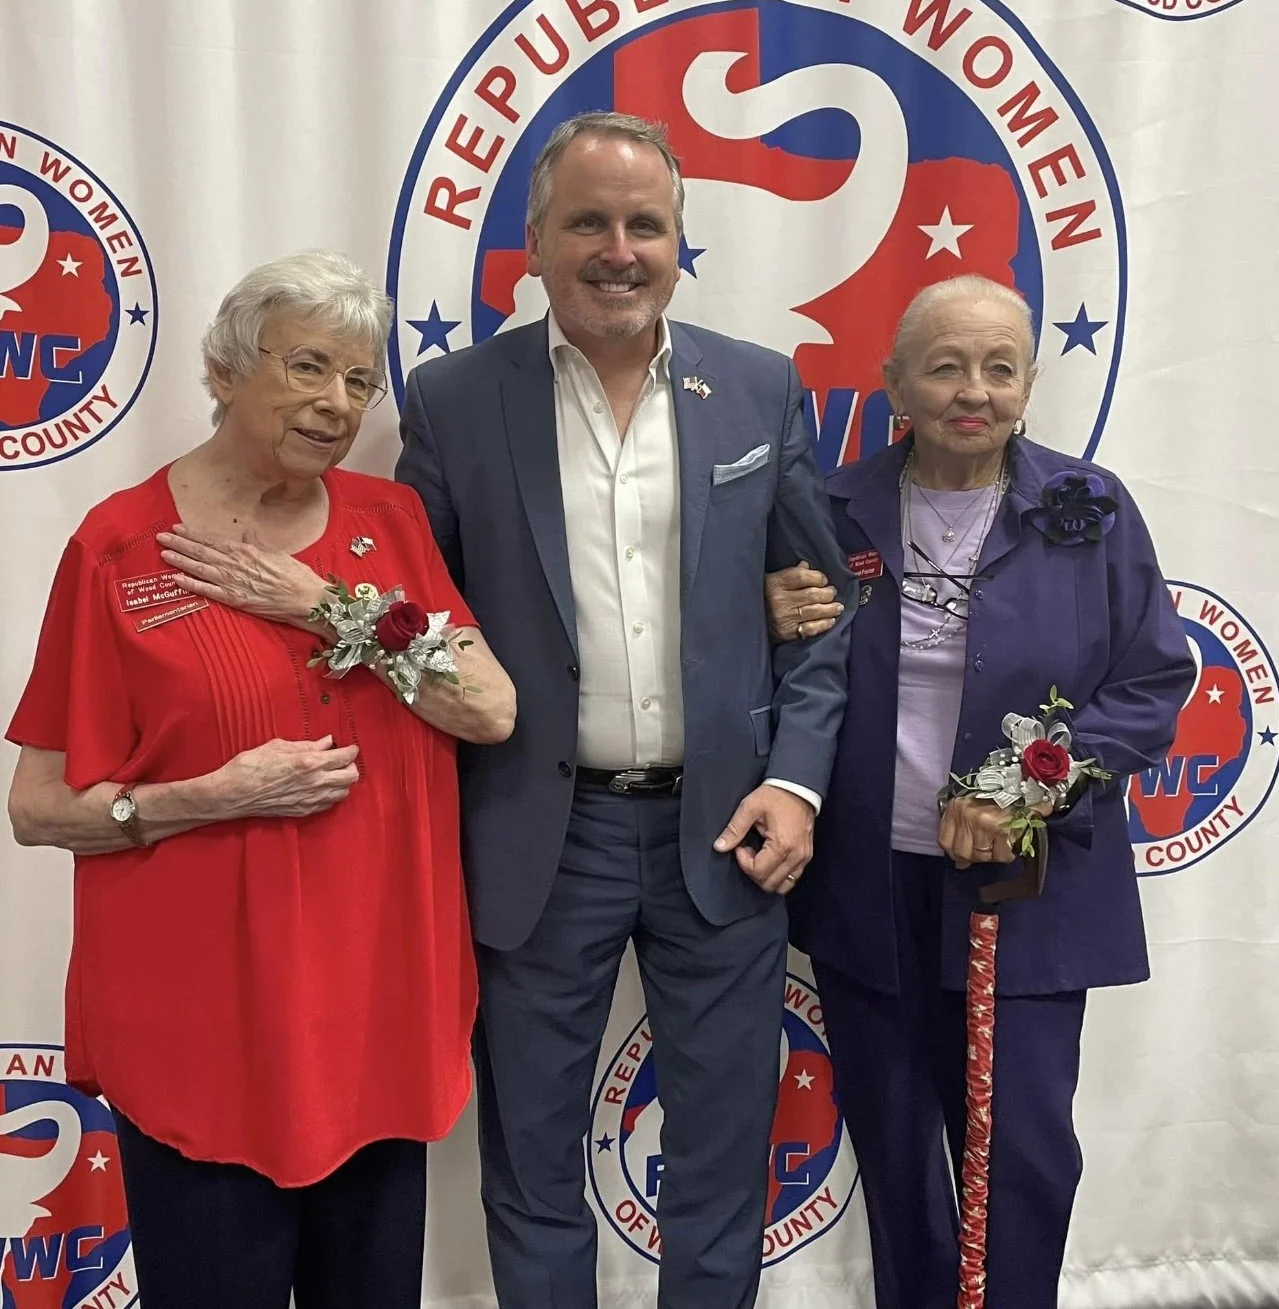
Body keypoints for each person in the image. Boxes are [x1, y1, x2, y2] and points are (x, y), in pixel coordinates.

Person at [396, 111, 855, 1309]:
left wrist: (797, 778)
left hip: (729, 827)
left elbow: (824, 612)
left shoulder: (756, 386)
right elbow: (411, 620)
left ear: (679, 240)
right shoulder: (452, 401)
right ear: (535, 246)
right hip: (538, 838)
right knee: (532, 1159)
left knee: (719, 1158)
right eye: (587, 223)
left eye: (644, 224)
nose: (619, 248)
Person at [5, 251, 516, 1309]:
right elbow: (36, 807)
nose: (337, 403)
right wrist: (209, 794)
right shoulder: (119, 545)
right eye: (308, 367)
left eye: (360, 381)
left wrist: (329, 607)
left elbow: (490, 708)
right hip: (203, 1029)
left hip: (373, 1015)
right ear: (226, 370)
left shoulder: (390, 527)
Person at [766, 274, 1194, 1309]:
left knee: (1025, 1150)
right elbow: (771, 682)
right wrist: (764, 614)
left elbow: (1151, 681)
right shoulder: (830, 506)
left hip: (1030, 894)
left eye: (1001, 367)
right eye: (946, 364)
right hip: (870, 891)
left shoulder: (1087, 508)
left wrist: (1031, 792)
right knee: (899, 1147)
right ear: (893, 381)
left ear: (1029, 382)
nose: (975, 389)